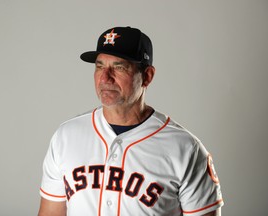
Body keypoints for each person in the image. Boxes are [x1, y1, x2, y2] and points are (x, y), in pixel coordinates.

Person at [38, 26, 224, 216]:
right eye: (100, 66)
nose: (105, 78)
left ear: (147, 76)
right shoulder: (66, 136)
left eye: (119, 67)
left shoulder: (185, 148)